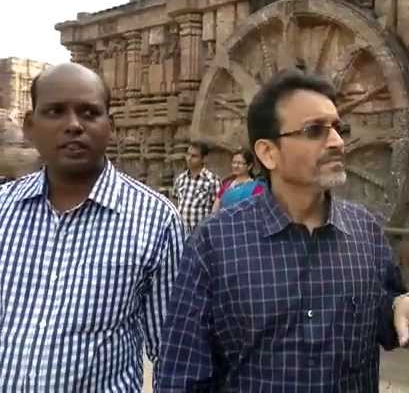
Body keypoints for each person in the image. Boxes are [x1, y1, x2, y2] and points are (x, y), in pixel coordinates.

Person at [158, 69, 409, 392]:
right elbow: (181, 376)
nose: (336, 141)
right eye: (314, 130)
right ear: (267, 153)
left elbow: (384, 316)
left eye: (337, 128)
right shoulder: (214, 244)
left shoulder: (365, 232)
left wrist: (407, 304)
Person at [0, 63, 185, 391]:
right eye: (55, 111)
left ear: (110, 126)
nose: (73, 125)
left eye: (88, 113)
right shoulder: (3, 209)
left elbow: (173, 353)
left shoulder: (157, 221)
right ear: (30, 125)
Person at [172, 142, 222, 232]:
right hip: (182, 232)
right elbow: (176, 203)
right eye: (188, 155)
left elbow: (218, 210)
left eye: (194, 156)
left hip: (201, 234)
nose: (189, 159)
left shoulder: (213, 180)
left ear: (204, 159)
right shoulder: (181, 179)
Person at [212, 147, 265, 212]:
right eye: (234, 162)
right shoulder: (227, 185)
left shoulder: (257, 188)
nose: (235, 166)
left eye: (239, 163)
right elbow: (215, 208)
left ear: (249, 166)